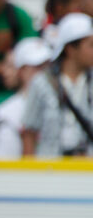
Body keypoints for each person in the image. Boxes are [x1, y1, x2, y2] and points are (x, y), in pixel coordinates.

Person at [22, 12, 93, 157]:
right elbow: (29, 132)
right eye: (91, 45)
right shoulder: (42, 82)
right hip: (51, 169)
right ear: (70, 49)